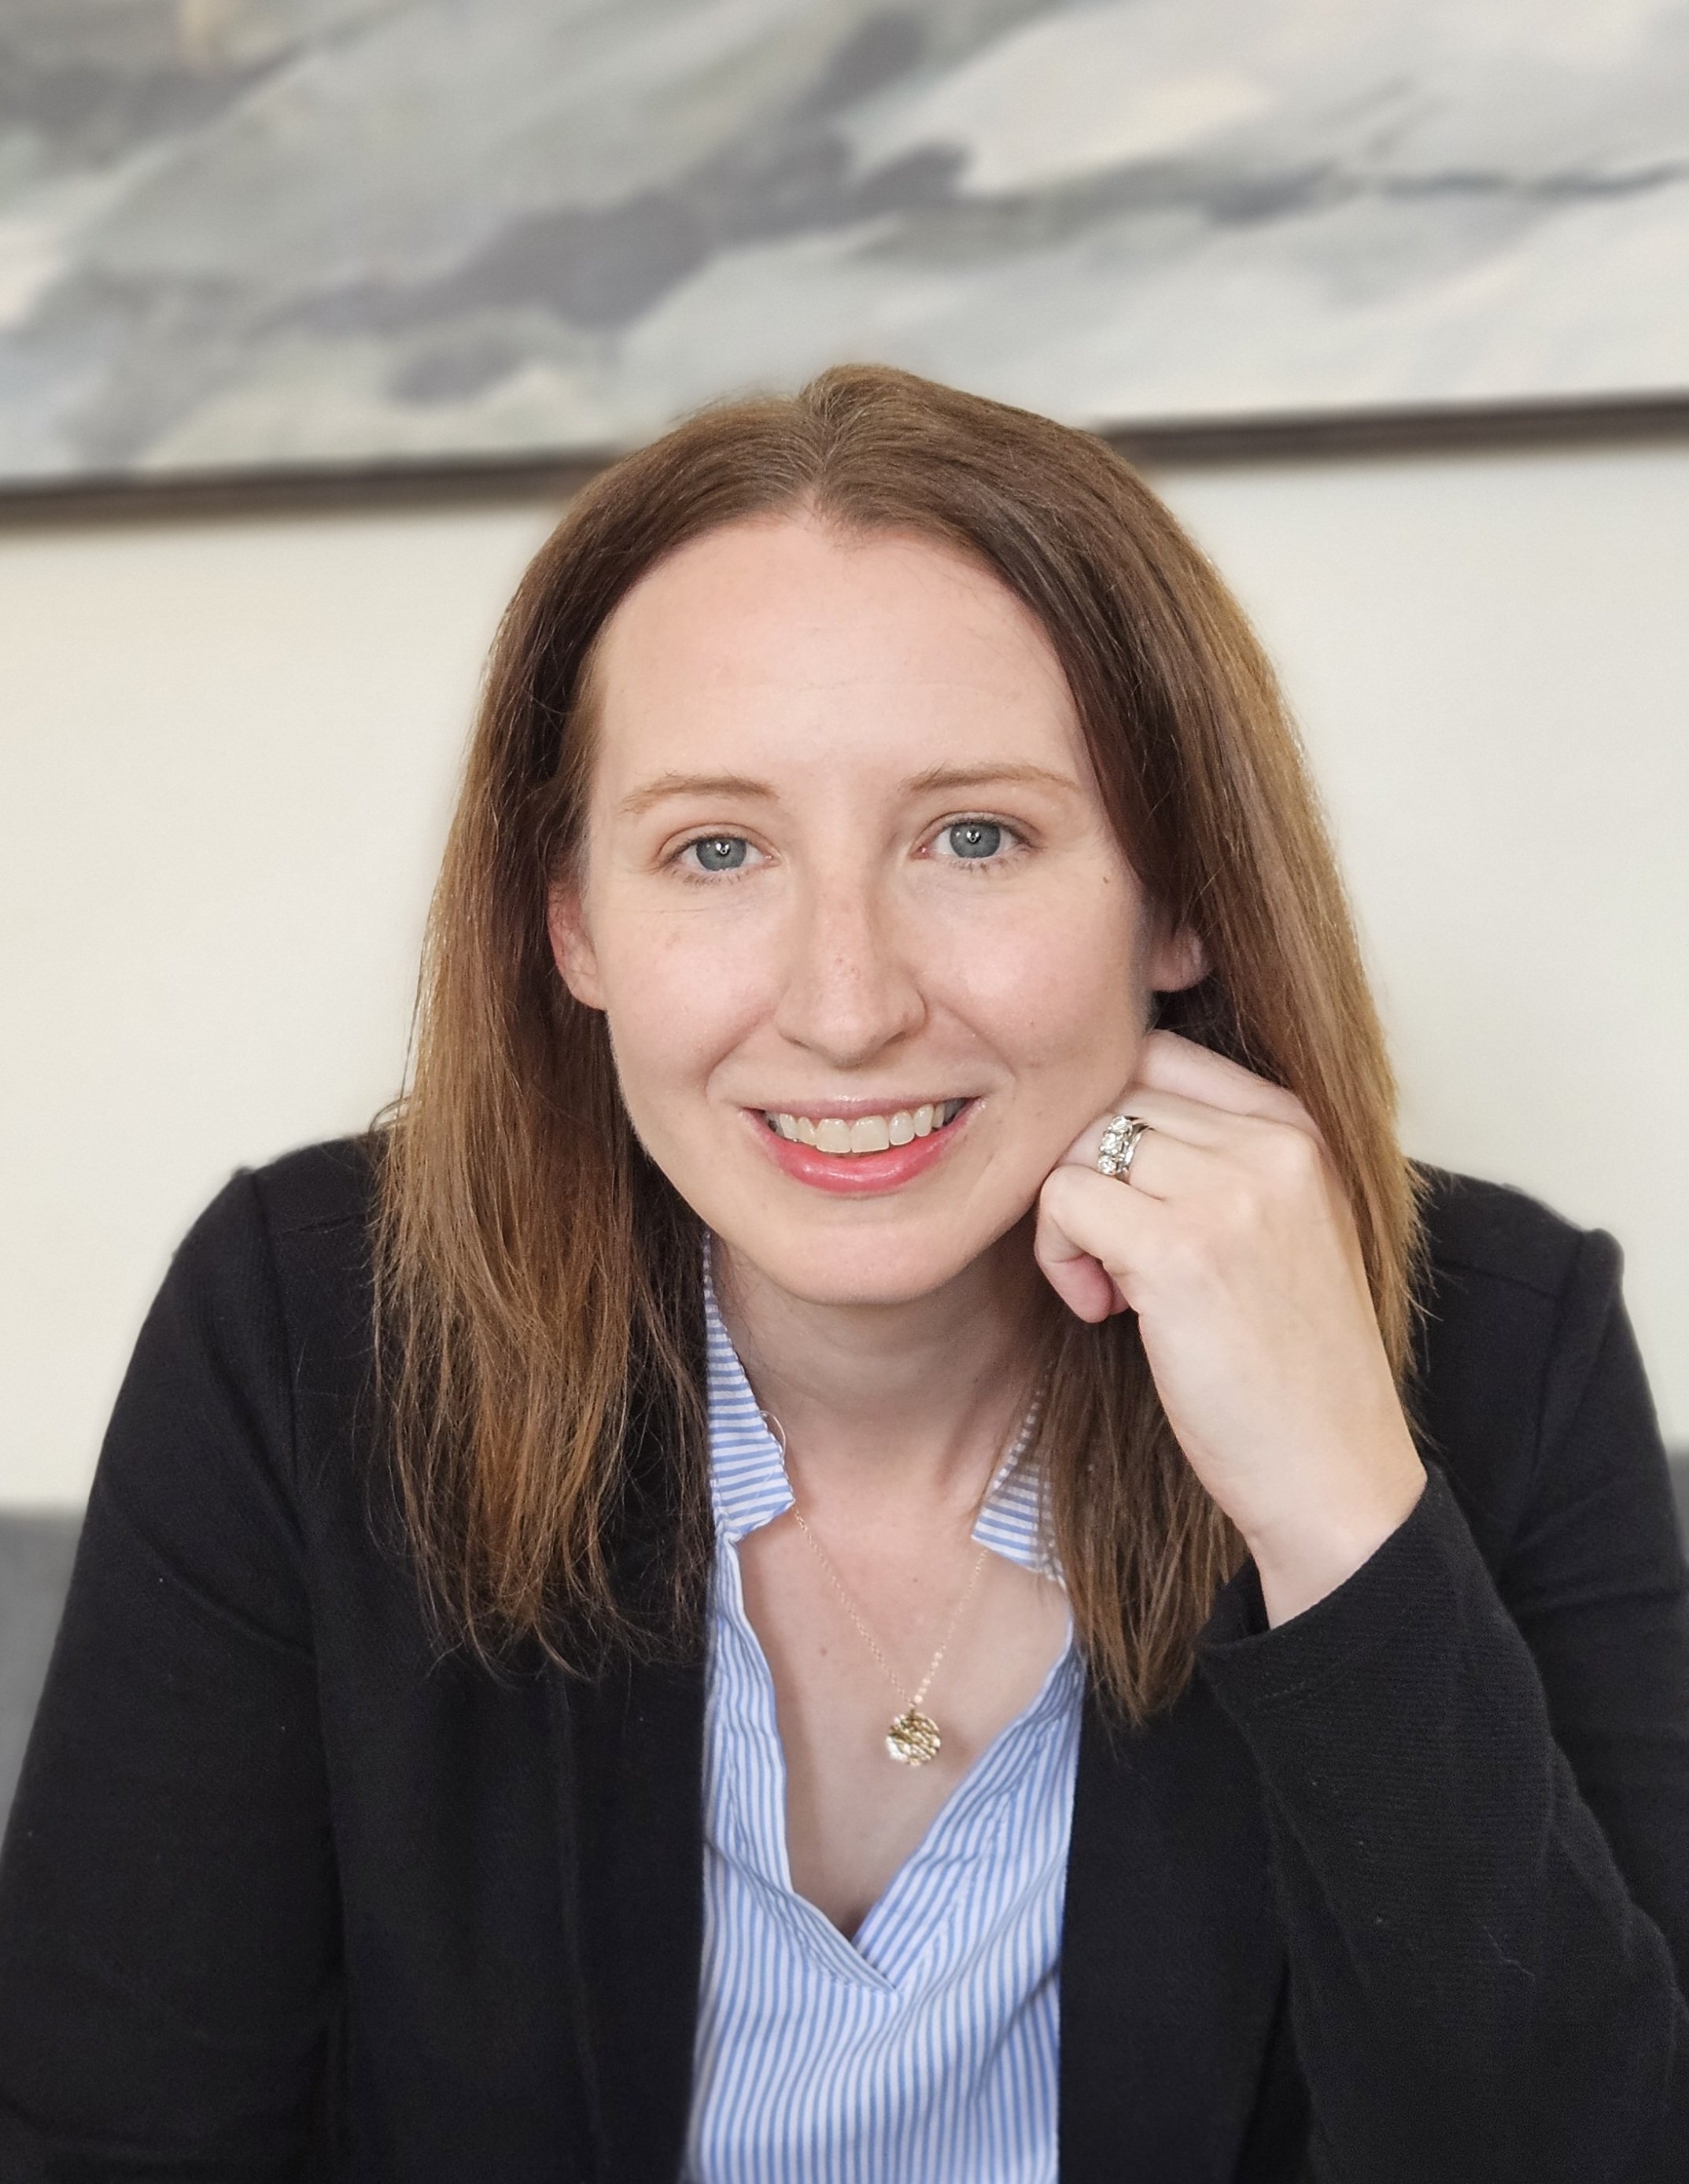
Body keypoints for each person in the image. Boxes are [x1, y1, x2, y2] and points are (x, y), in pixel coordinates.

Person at [0, 363, 1685, 2184]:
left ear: (1179, 895)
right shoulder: (308, 1325)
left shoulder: (1495, 1351)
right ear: (573, 921)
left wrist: (1343, 1515)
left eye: (976, 835)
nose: (847, 1000)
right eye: (715, 849)